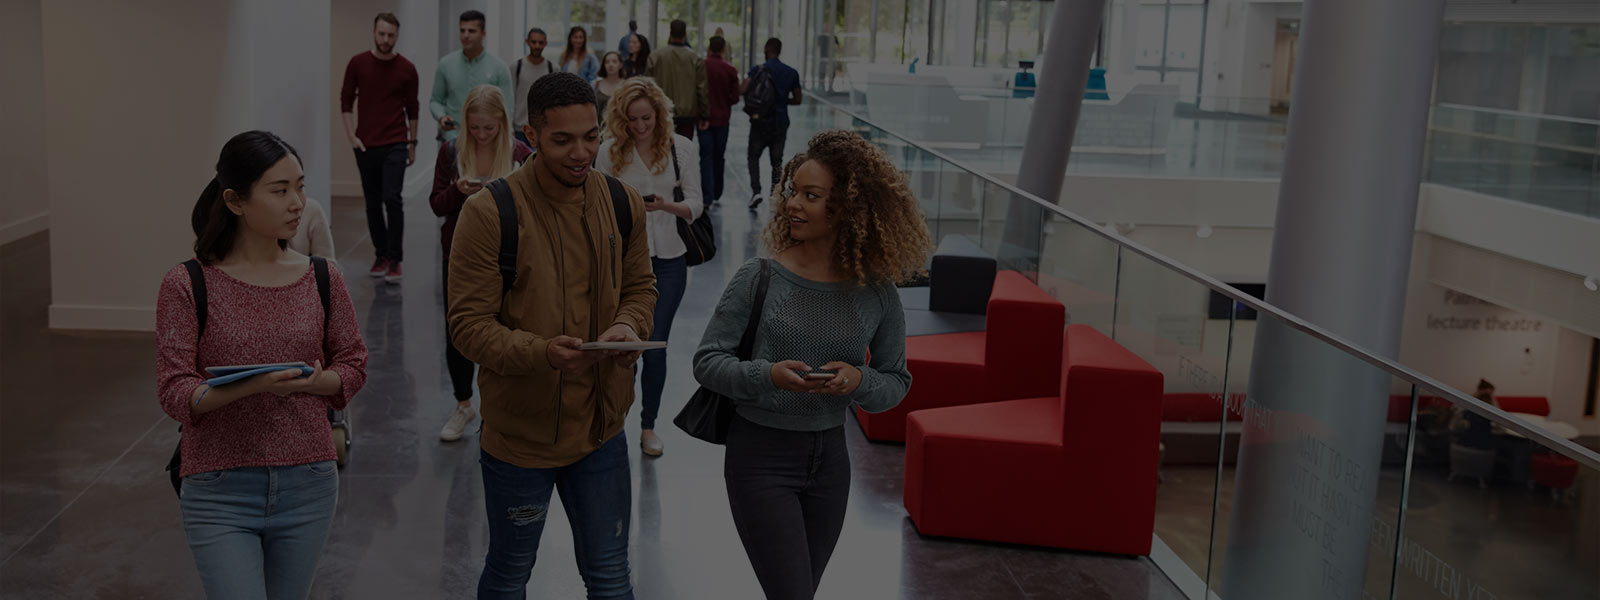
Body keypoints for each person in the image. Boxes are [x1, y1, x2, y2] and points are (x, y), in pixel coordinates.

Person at [693, 130, 930, 600]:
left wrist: (859, 380)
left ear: (848, 207)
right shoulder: (758, 276)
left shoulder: (877, 292)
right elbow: (707, 362)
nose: (793, 205)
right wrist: (767, 374)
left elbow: (896, 381)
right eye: (792, 192)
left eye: (811, 196)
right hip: (759, 456)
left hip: (829, 460)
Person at [447, 72, 656, 599]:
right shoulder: (489, 213)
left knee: (611, 579)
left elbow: (641, 288)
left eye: (591, 136)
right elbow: (468, 328)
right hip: (520, 440)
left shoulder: (623, 203)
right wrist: (542, 354)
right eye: (562, 140)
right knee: (509, 573)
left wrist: (629, 326)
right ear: (531, 135)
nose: (581, 152)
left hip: (602, 431)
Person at [157, 130, 369, 600]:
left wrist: (314, 384)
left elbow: (353, 365)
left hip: (309, 481)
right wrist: (255, 386)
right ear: (235, 201)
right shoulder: (187, 284)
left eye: (300, 186)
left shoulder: (321, 275)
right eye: (279, 191)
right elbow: (174, 391)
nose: (297, 203)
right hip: (218, 487)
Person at [595, 78, 703, 457]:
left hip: (671, 259)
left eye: (647, 118)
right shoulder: (608, 152)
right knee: (622, 345)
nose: (640, 126)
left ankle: (647, 425)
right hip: (623, 259)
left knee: (654, 347)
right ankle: (613, 423)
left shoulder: (682, 148)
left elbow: (696, 205)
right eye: (633, 119)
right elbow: (597, 204)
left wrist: (665, 206)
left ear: (659, 114)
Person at [431, 85, 534, 444]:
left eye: (489, 129)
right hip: (460, 254)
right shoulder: (450, 151)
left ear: (503, 124)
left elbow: (537, 207)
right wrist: (458, 190)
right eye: (475, 128)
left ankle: (499, 407)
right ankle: (463, 404)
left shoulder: (521, 153)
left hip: (511, 254)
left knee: (507, 328)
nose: (482, 135)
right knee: (459, 330)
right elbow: (436, 205)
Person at [341, 12, 420, 283]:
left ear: (397, 36)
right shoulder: (357, 63)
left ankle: (395, 258)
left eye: (391, 35)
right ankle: (381, 254)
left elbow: (413, 108)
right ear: (374, 32)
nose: (386, 39)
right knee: (372, 203)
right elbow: (345, 101)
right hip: (366, 144)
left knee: (392, 198)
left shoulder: (407, 69)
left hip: (396, 142)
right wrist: (352, 136)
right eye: (381, 33)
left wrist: (412, 143)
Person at [431, 10, 513, 144]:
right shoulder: (445, 64)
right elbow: (435, 101)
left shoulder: (499, 68)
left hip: (487, 142)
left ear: (483, 34)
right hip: (453, 139)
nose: (466, 35)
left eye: (471, 31)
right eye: (462, 31)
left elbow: (507, 109)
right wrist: (441, 117)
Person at [743, 38, 802, 210]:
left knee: (753, 156)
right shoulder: (791, 72)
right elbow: (798, 100)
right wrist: (781, 101)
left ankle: (756, 191)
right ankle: (774, 195)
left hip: (759, 121)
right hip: (780, 122)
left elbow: (743, 89)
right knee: (776, 161)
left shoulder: (758, 70)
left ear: (767, 49)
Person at [645, 19, 709, 140]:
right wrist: (705, 115)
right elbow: (702, 90)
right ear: (685, 35)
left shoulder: (655, 57)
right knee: (684, 153)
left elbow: (647, 86)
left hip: (661, 112)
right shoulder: (695, 59)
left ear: (670, 33)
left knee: (661, 150)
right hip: (687, 115)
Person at [701, 36, 740, 206]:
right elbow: (735, 98)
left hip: (704, 119)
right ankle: (717, 192)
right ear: (724, 50)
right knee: (719, 155)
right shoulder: (730, 70)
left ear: (709, 48)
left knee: (706, 156)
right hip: (723, 119)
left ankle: (707, 195)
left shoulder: (701, 67)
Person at [512, 28, 556, 146]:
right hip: (519, 128)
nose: (537, 46)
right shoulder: (517, 67)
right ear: (527, 42)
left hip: (543, 128)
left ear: (545, 44)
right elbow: (510, 97)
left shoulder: (552, 68)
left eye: (541, 42)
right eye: (534, 42)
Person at [594, 51, 627, 119]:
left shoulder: (627, 86)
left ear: (620, 65)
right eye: (607, 62)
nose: (610, 64)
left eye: (614, 61)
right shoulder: (595, 85)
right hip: (599, 127)